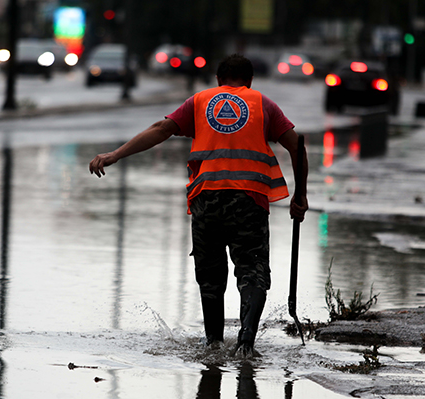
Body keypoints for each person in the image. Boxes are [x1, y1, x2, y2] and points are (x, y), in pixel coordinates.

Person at [89, 54, 308, 358]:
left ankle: (214, 344)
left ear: (218, 80)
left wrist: (115, 154)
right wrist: (300, 196)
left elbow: (160, 129)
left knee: (210, 274)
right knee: (252, 270)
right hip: (249, 199)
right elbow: (297, 145)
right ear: (250, 81)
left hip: (207, 199)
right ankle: (246, 344)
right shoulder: (262, 104)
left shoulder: (200, 101)